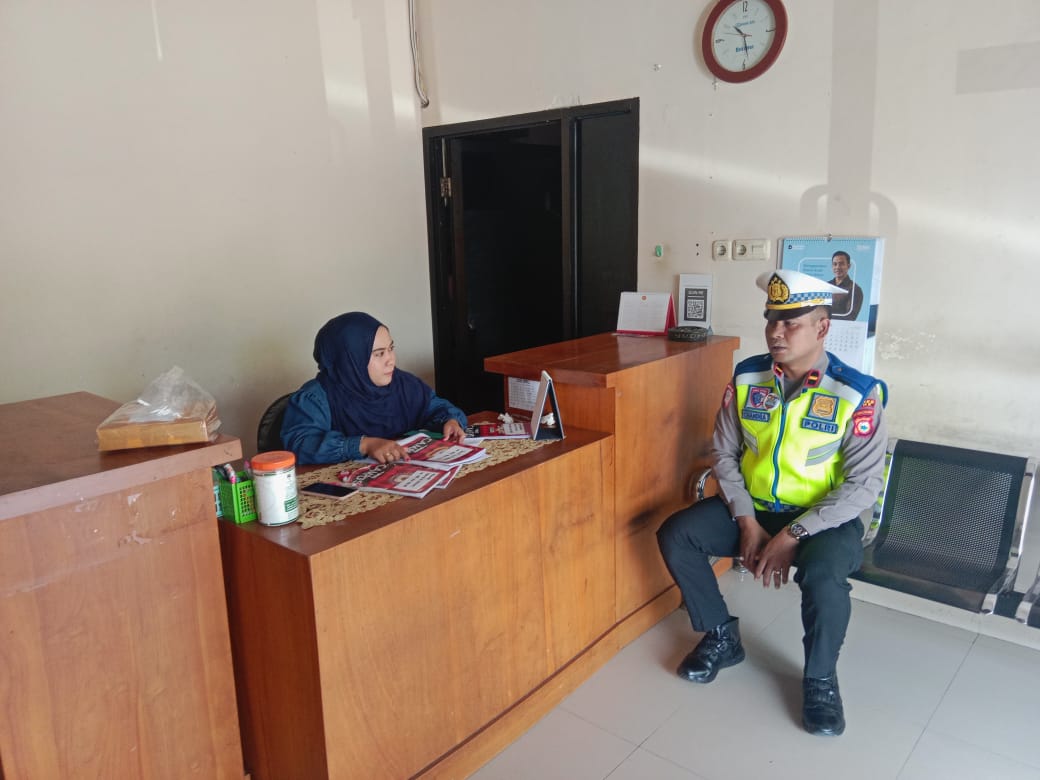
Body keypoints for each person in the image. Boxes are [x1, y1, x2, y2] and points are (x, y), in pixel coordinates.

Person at [656, 268, 888, 737]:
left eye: (790, 322)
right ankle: (721, 635)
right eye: (770, 320)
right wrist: (746, 520)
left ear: (822, 327)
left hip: (824, 520)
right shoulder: (748, 376)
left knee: (824, 577)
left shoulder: (856, 392)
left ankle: (820, 678)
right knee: (678, 534)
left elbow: (864, 485)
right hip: (756, 507)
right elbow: (724, 453)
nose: (775, 332)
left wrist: (792, 535)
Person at [280, 312, 468, 465]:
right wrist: (364, 445)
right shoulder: (316, 397)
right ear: (350, 360)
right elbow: (300, 444)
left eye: (391, 349)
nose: (390, 360)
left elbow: (438, 407)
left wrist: (451, 420)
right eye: (379, 354)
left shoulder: (404, 384)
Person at [827, 251, 864, 321]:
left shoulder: (855, 290)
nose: (837, 267)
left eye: (841, 264)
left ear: (848, 266)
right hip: (821, 326)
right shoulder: (826, 286)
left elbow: (850, 317)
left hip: (840, 327)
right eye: (835, 264)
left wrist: (825, 317)